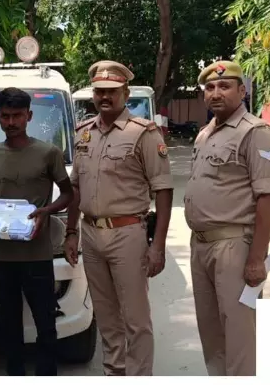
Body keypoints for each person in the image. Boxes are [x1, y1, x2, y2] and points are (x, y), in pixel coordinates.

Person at [64, 60, 173, 376]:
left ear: (125, 93)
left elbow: (163, 189)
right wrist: (71, 232)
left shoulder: (143, 133)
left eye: (112, 91)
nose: (104, 97)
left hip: (127, 234)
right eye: (99, 91)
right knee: (106, 316)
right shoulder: (84, 133)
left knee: (135, 319)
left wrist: (158, 246)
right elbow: (76, 187)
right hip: (90, 234)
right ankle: (114, 372)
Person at [184, 60, 270, 376]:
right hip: (201, 245)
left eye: (225, 86)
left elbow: (268, 198)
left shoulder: (256, 133)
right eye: (210, 87)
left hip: (234, 247)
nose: (216, 93)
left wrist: (256, 258)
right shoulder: (204, 134)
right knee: (211, 332)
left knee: (240, 333)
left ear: (242, 91)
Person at [0, 87, 74, 376]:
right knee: (9, 324)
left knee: (46, 323)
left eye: (17, 115)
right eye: (5, 116)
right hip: (2, 253)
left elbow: (68, 194)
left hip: (37, 253)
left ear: (29, 116)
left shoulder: (48, 153)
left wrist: (46, 211)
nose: (11, 122)